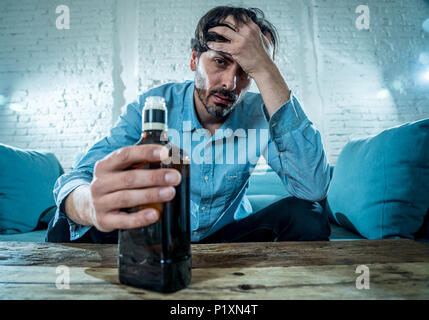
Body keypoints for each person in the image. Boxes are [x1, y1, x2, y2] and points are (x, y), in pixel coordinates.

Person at [46, 6, 331, 244]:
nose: (230, 83)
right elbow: (79, 176)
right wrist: (88, 207)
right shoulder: (154, 105)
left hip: (228, 236)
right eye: (220, 62)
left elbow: (312, 188)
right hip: (158, 233)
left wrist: (267, 69)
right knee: (65, 223)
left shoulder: (261, 112)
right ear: (194, 58)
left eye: (247, 71)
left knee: (309, 215)